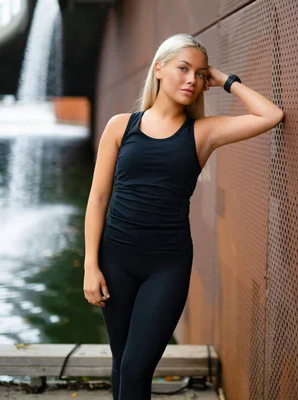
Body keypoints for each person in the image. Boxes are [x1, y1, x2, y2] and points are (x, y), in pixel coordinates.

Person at [82, 33, 284, 399]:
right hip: (115, 260)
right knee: (122, 361)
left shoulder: (203, 133)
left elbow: (271, 115)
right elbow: (97, 198)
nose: (192, 79)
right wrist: (90, 265)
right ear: (158, 69)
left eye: (199, 73)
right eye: (183, 68)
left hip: (167, 266)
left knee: (135, 366)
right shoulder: (119, 126)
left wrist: (224, 79)